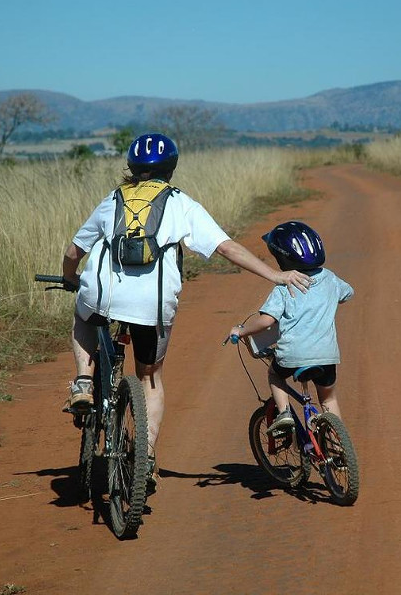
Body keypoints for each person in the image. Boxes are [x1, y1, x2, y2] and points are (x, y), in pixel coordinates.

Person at [61, 133, 312, 475]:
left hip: (103, 298)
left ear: (132, 167)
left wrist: (71, 277)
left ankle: (83, 382)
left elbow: (73, 252)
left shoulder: (113, 200)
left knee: (83, 313)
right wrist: (275, 275)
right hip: (152, 306)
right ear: (172, 168)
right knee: (150, 378)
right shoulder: (180, 204)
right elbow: (226, 248)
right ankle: (146, 458)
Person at [227, 221, 353, 433]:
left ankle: (284, 412)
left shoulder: (285, 288)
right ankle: (340, 451)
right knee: (328, 399)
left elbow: (266, 321)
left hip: (293, 356)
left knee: (274, 375)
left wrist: (241, 330)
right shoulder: (330, 279)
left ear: (282, 258)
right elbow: (348, 293)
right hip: (327, 355)